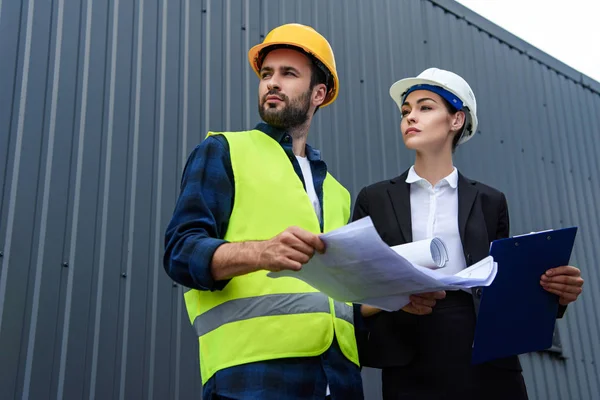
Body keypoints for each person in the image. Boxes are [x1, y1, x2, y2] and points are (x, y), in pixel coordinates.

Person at [352, 67, 584, 400]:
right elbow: (355, 284)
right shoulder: (374, 198)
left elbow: (503, 284)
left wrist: (554, 292)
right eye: (405, 111)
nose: (409, 117)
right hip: (409, 358)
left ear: (456, 119)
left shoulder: (491, 201)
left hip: (484, 355)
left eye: (425, 107)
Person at [163, 23, 363, 400]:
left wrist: (395, 298)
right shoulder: (224, 151)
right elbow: (180, 252)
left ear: (318, 93)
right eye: (266, 74)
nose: (272, 83)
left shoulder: (337, 192)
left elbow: (341, 301)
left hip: (338, 380)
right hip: (252, 378)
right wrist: (260, 252)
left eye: (288, 74)